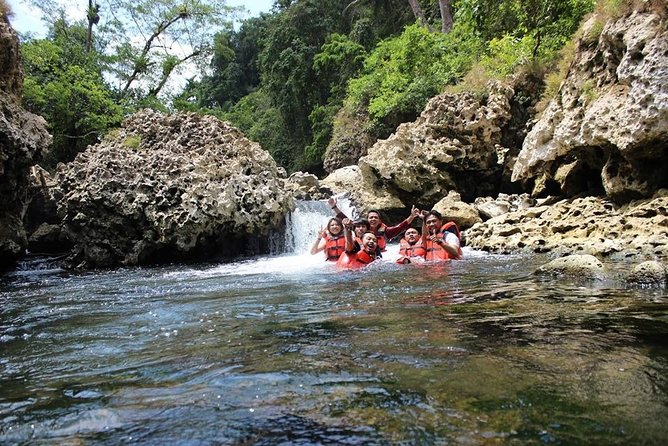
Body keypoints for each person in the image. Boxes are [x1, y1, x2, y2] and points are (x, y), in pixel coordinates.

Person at [328, 197, 421, 251]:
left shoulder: (386, 231)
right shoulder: (361, 228)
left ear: (380, 220)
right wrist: (334, 207)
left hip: (380, 258)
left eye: (375, 217)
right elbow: (345, 219)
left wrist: (412, 216)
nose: (373, 219)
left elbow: (401, 227)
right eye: (371, 217)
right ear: (367, 220)